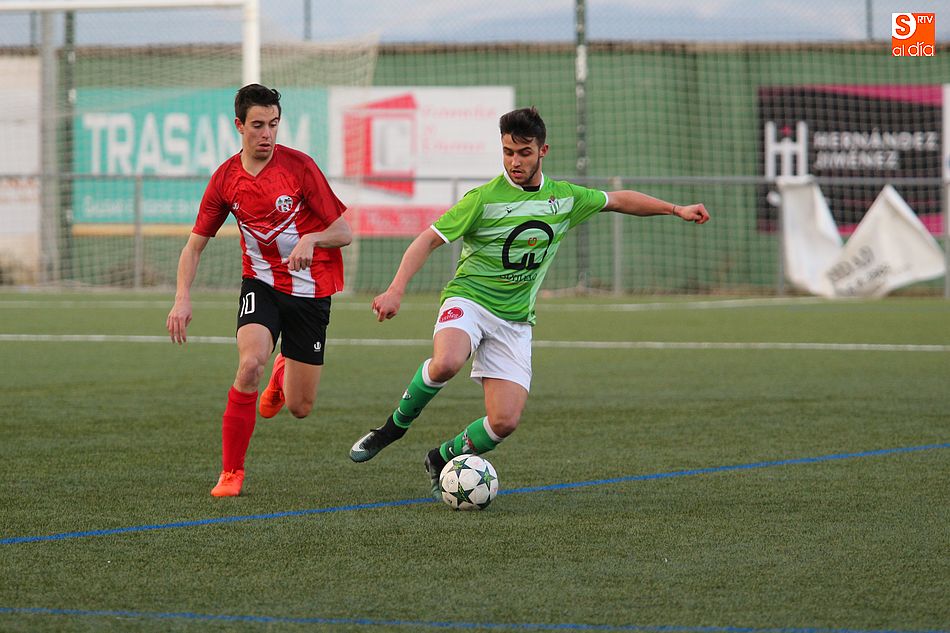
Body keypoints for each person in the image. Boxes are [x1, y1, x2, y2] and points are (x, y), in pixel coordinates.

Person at [349, 106, 709, 497]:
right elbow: (428, 239)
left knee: (503, 422)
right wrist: (396, 288)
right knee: (448, 360)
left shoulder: (564, 198)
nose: (514, 161)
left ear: (543, 151)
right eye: (507, 152)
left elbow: (619, 199)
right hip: (469, 300)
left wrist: (676, 209)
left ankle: (441, 457)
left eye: (523, 153)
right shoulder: (483, 199)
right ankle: (390, 430)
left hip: (515, 320)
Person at [167, 83, 352, 497]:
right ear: (239, 126)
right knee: (250, 364)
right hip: (261, 284)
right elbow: (194, 245)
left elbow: (344, 231)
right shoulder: (225, 179)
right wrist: (182, 296)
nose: (267, 134)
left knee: (299, 408)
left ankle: (283, 370)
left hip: (311, 291)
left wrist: (313, 239)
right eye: (257, 126)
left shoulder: (300, 167)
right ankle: (231, 472)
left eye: (273, 124)